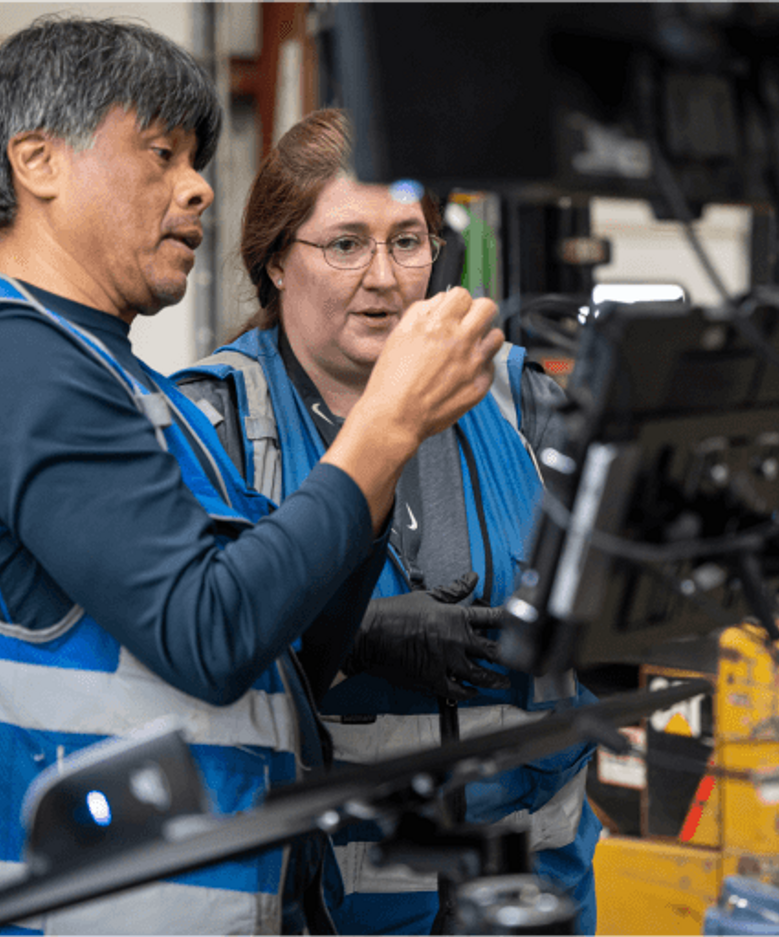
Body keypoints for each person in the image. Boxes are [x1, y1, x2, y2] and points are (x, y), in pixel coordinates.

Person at [0, 19, 501, 937]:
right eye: (161, 154)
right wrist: (386, 426)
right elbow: (211, 633)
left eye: (197, 160)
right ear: (37, 162)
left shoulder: (139, 394)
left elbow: (284, 654)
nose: (198, 187)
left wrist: (372, 459)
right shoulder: (14, 361)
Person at [174, 109, 600, 937]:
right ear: (274, 261)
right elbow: (186, 660)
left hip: (527, 895)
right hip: (327, 908)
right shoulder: (215, 423)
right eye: (345, 243)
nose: (383, 276)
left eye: (408, 240)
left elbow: (619, 593)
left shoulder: (517, 396)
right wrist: (355, 636)